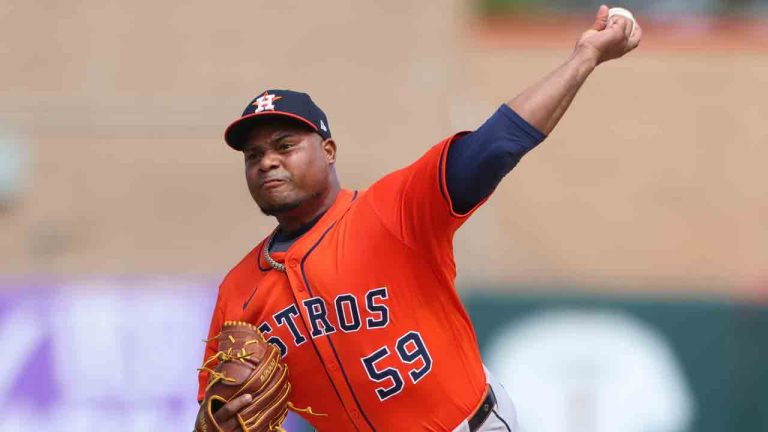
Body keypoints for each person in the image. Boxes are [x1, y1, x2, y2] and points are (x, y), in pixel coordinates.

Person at [197, 5, 642, 431]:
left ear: (328, 151)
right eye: (253, 155)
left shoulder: (394, 209)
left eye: (284, 145)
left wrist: (586, 57)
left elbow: (496, 144)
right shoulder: (239, 291)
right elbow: (214, 408)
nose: (267, 162)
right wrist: (213, 421)